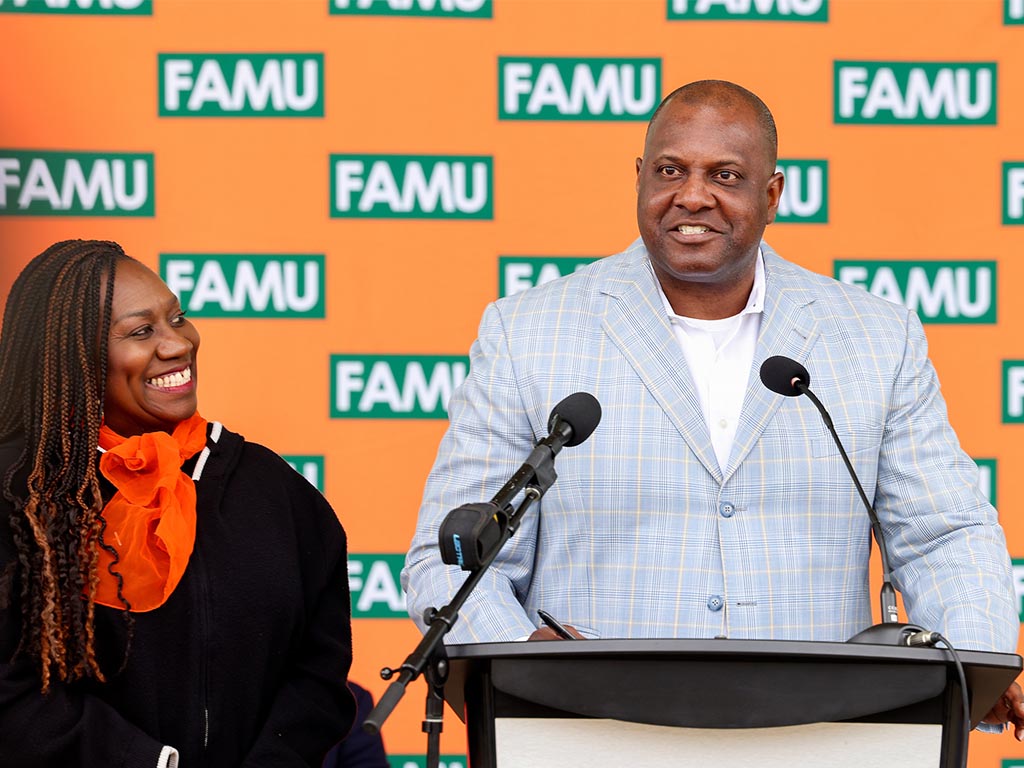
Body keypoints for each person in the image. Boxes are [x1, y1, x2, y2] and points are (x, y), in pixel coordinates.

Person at [402, 80, 1024, 735]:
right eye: (670, 170)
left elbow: (943, 538)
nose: (692, 195)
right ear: (640, 178)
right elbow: (450, 564)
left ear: (772, 195)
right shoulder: (528, 333)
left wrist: (977, 665)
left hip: (815, 736)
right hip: (591, 732)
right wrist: (531, 670)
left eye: (725, 175)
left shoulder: (873, 337)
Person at [0, 240, 356, 766]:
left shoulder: (275, 491)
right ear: (72, 355)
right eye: (142, 331)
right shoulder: (18, 493)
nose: (177, 344)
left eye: (178, 318)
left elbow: (318, 671)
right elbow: (12, 693)